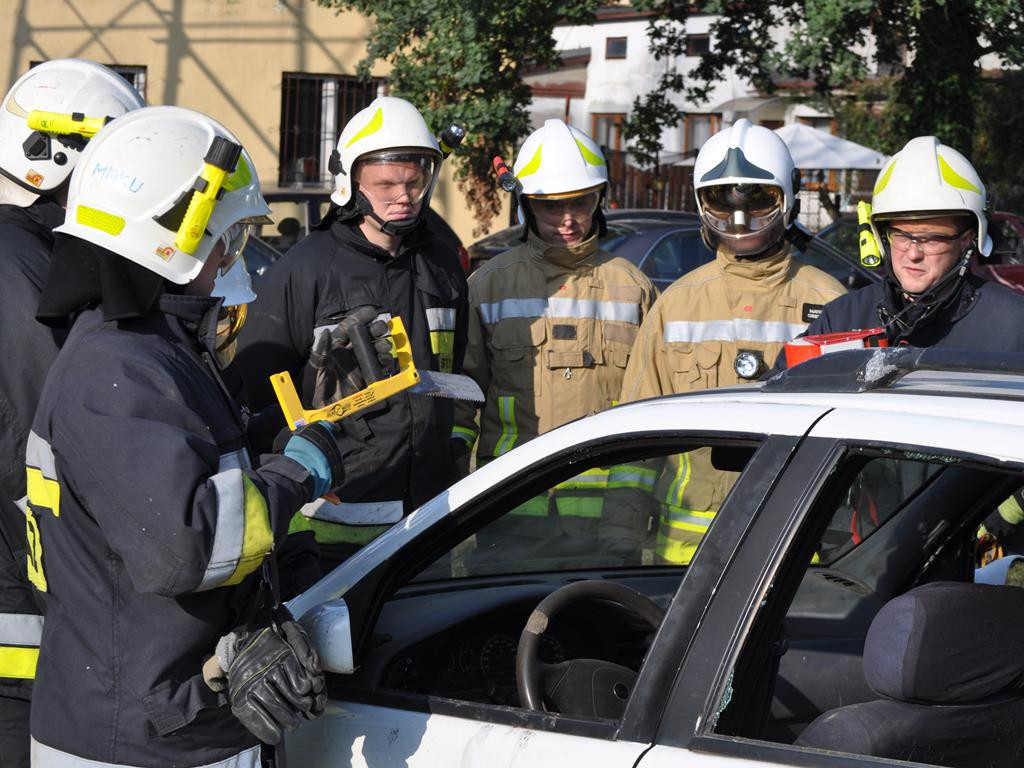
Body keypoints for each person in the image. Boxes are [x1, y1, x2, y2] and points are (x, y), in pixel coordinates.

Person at [25, 105, 357, 767]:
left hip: (166, 720)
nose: (235, 260)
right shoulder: (117, 371)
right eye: (228, 239)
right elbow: (189, 547)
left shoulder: (145, 354)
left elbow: (185, 481)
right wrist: (298, 474)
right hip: (140, 740)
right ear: (170, 240)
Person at [231, 96, 468, 569]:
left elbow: (458, 371)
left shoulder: (441, 264)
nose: (404, 197)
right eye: (386, 185)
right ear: (351, 184)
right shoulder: (304, 272)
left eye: (415, 182)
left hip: (429, 520)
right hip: (331, 530)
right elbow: (250, 404)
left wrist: (455, 451)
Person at [0, 58, 145, 768]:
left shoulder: (22, 254)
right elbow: (53, 436)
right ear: (49, 154)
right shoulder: (21, 270)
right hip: (17, 606)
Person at [620, 118, 846, 564]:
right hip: (682, 554)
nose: (739, 219)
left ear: (788, 201)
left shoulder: (831, 303)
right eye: (722, 203)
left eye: (758, 201)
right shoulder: (676, 304)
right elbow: (634, 439)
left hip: (794, 545)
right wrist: (619, 535)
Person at [451, 119, 657, 566]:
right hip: (509, 511)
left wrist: (630, 519)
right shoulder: (489, 286)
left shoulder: (632, 288)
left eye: (580, 204)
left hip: (607, 523)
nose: (567, 220)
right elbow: (460, 407)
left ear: (599, 198)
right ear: (526, 204)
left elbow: (651, 409)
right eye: (550, 207)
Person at [773, 135, 1024, 359]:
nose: (913, 254)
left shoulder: (1013, 325)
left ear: (968, 239)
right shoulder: (841, 318)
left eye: (932, 238)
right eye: (901, 236)